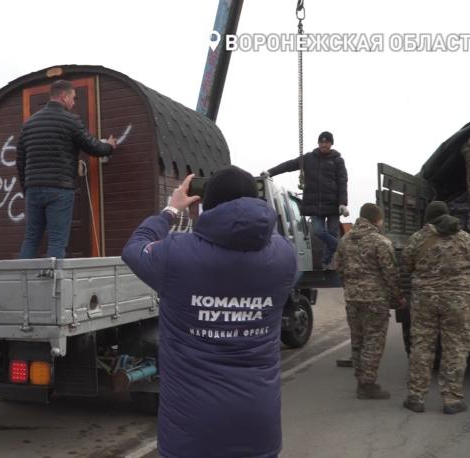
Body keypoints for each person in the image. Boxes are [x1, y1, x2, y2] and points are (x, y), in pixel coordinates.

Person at [122, 166, 297, 458]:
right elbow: (268, 239)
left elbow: (134, 249)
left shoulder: (176, 254)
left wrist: (171, 209)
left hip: (190, 432)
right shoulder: (283, 256)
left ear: (205, 204)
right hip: (257, 426)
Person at [16, 79, 117, 259]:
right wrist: (109, 146)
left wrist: (27, 187)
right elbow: (91, 146)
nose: (73, 102)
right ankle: (55, 286)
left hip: (33, 188)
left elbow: (20, 160)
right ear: (63, 96)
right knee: (57, 240)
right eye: (72, 98)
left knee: (31, 238)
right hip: (59, 189)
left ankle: (23, 284)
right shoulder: (70, 120)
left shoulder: (29, 123)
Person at [401, 201, 470, 414]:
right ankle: (452, 400)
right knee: (455, 347)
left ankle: (416, 398)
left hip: (424, 301)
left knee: (421, 346)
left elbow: (406, 264)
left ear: (428, 217)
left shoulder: (418, 238)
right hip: (457, 301)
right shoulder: (463, 237)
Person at [334, 203, 405, 399]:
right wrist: (398, 297)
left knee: (358, 340)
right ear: (377, 219)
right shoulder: (380, 242)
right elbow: (390, 274)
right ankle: (367, 385)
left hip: (352, 298)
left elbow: (338, 267)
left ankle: (361, 380)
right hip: (375, 300)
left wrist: (349, 287)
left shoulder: (345, 240)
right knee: (374, 340)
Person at [266, 131, 348, 270]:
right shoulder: (309, 158)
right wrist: (270, 172)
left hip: (334, 205)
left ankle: (326, 262)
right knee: (319, 231)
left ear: (331, 144)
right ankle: (345, 249)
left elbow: (342, 182)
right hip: (315, 204)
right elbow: (289, 165)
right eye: (321, 142)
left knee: (333, 233)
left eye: (326, 142)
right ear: (318, 143)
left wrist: (342, 203)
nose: (323, 144)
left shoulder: (337, 160)